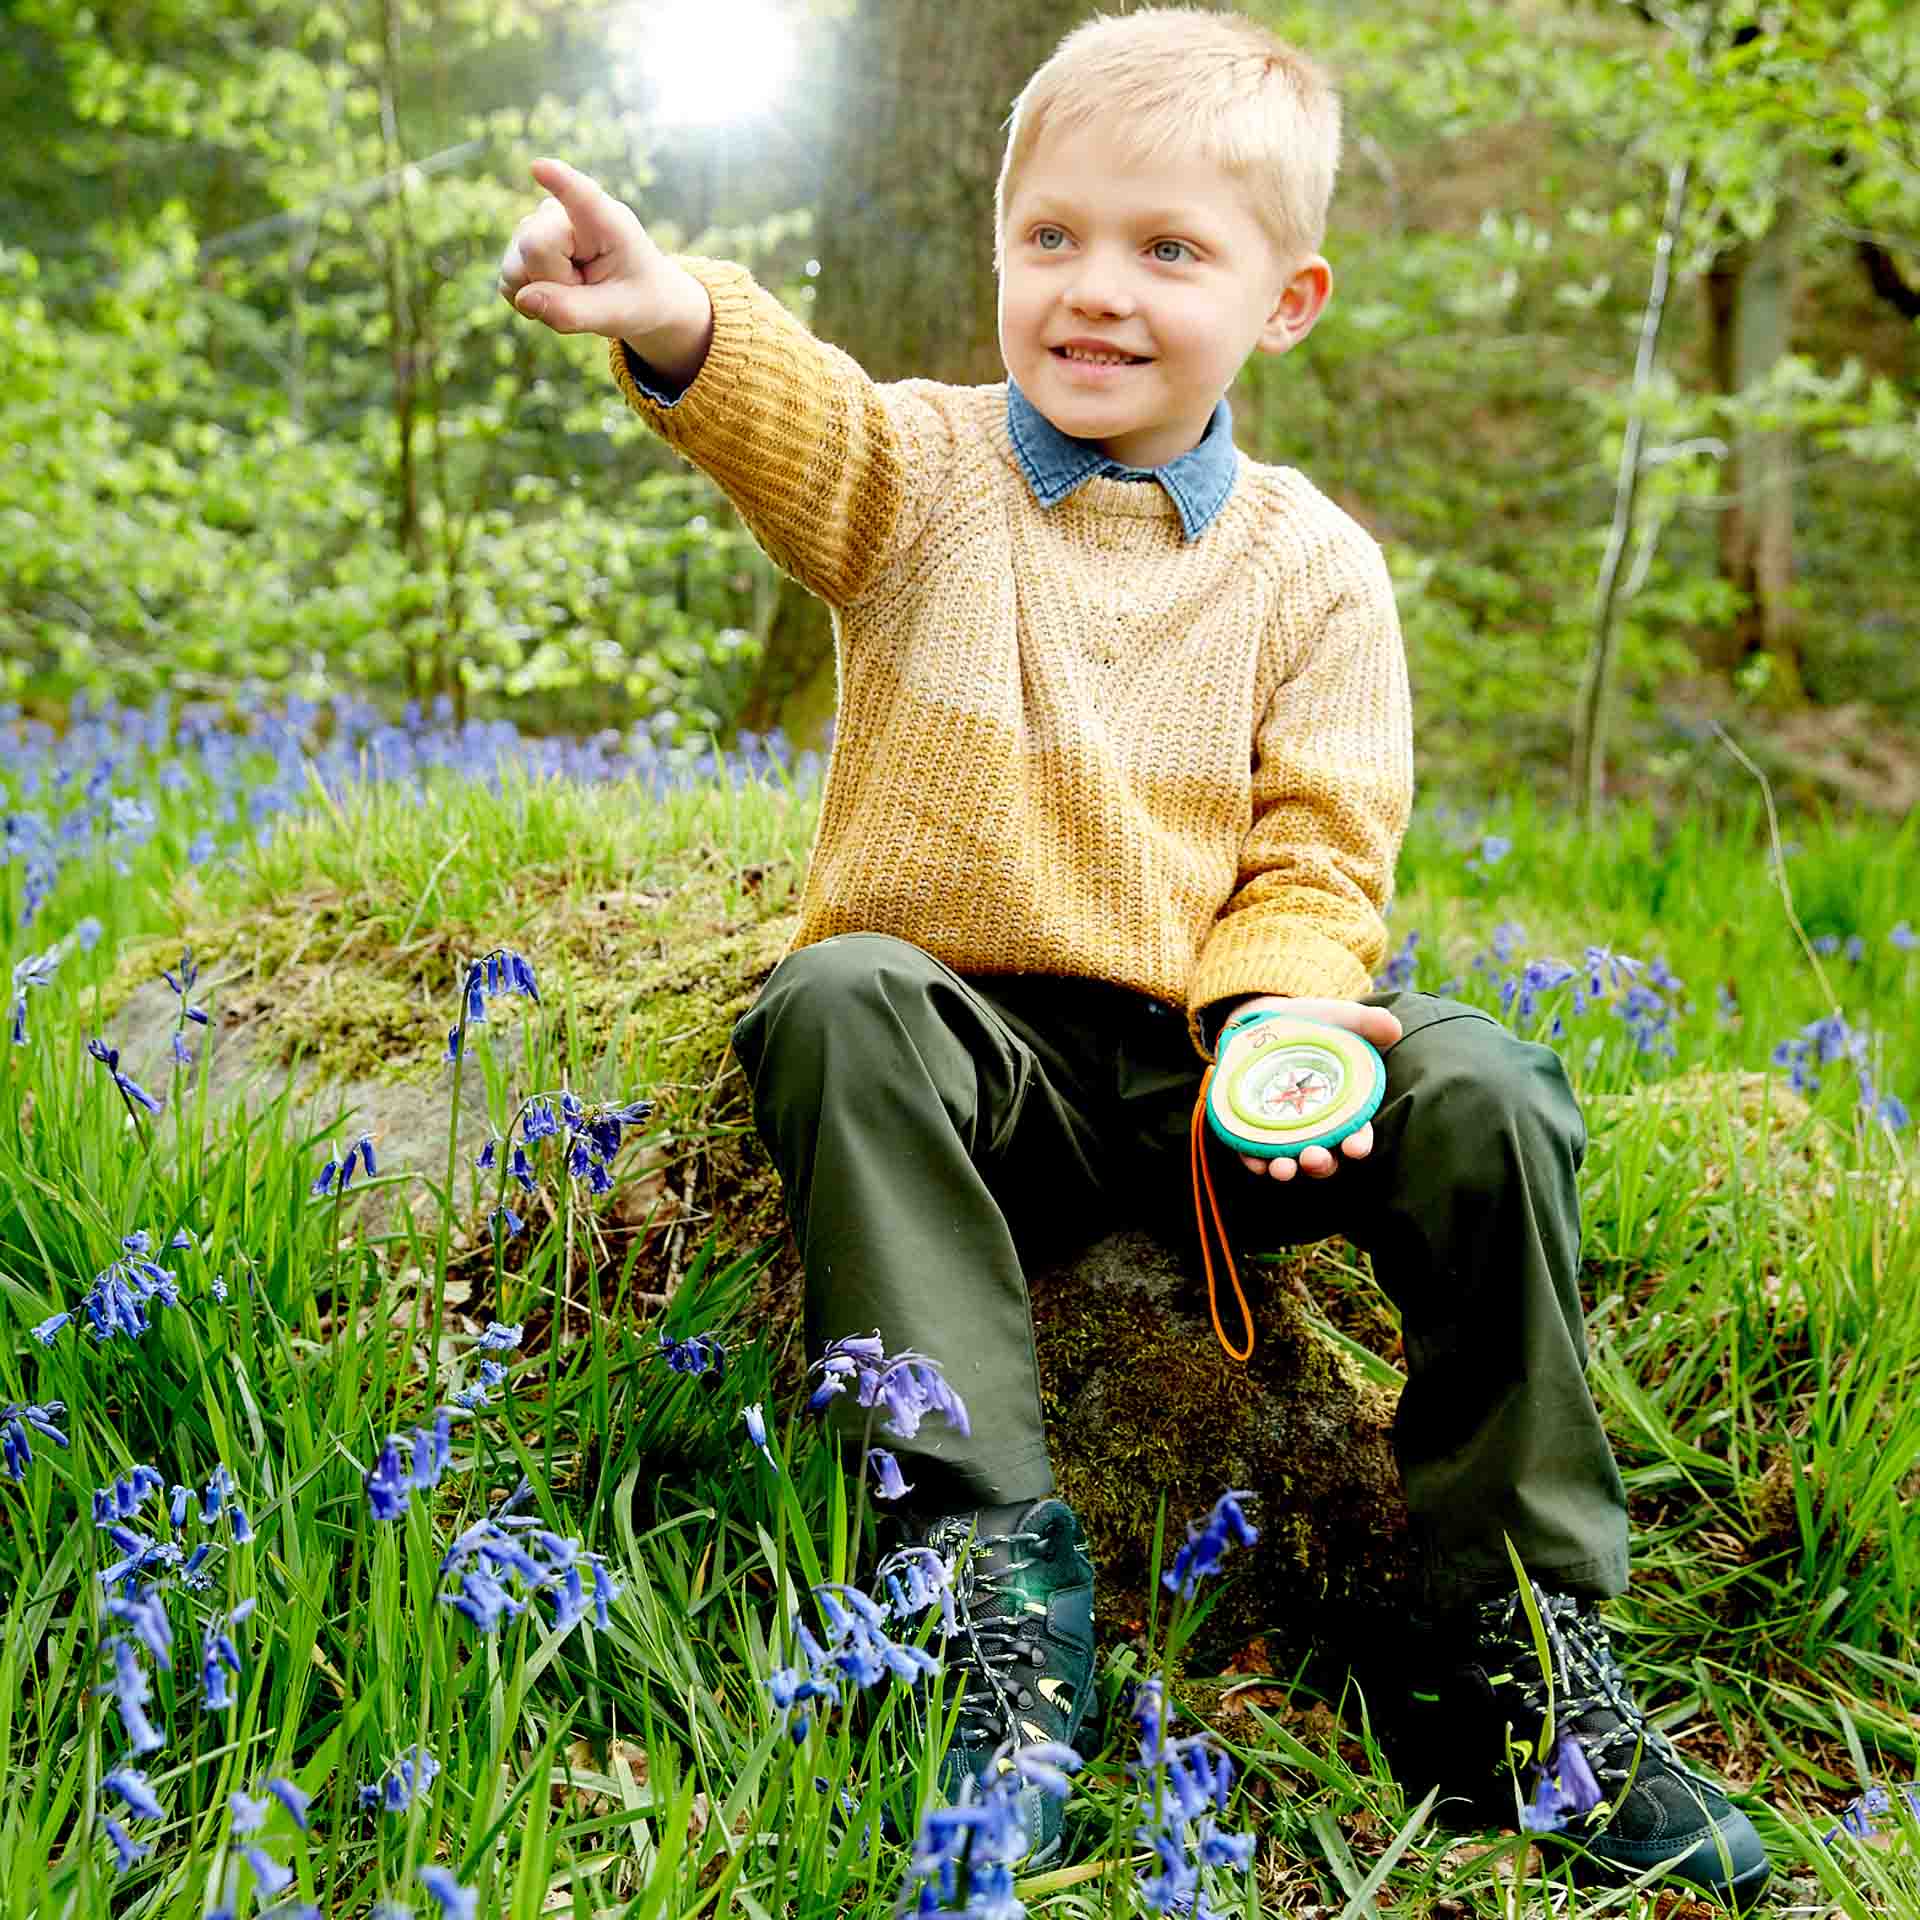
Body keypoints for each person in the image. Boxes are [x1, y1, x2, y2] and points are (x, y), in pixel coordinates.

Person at [498, 7, 1767, 1903]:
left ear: (1287, 299)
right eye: (1056, 239)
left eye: (1171, 250)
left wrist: (1279, 1032)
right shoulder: (917, 478)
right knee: (834, 1003)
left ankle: (1510, 1650)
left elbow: (1324, 848)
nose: (1099, 292)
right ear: (1003, 254)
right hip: (972, 1058)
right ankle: (986, 1582)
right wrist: (671, 307)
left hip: (1209, 1079)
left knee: (1490, 1085)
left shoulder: (1314, 565)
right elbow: (792, 413)